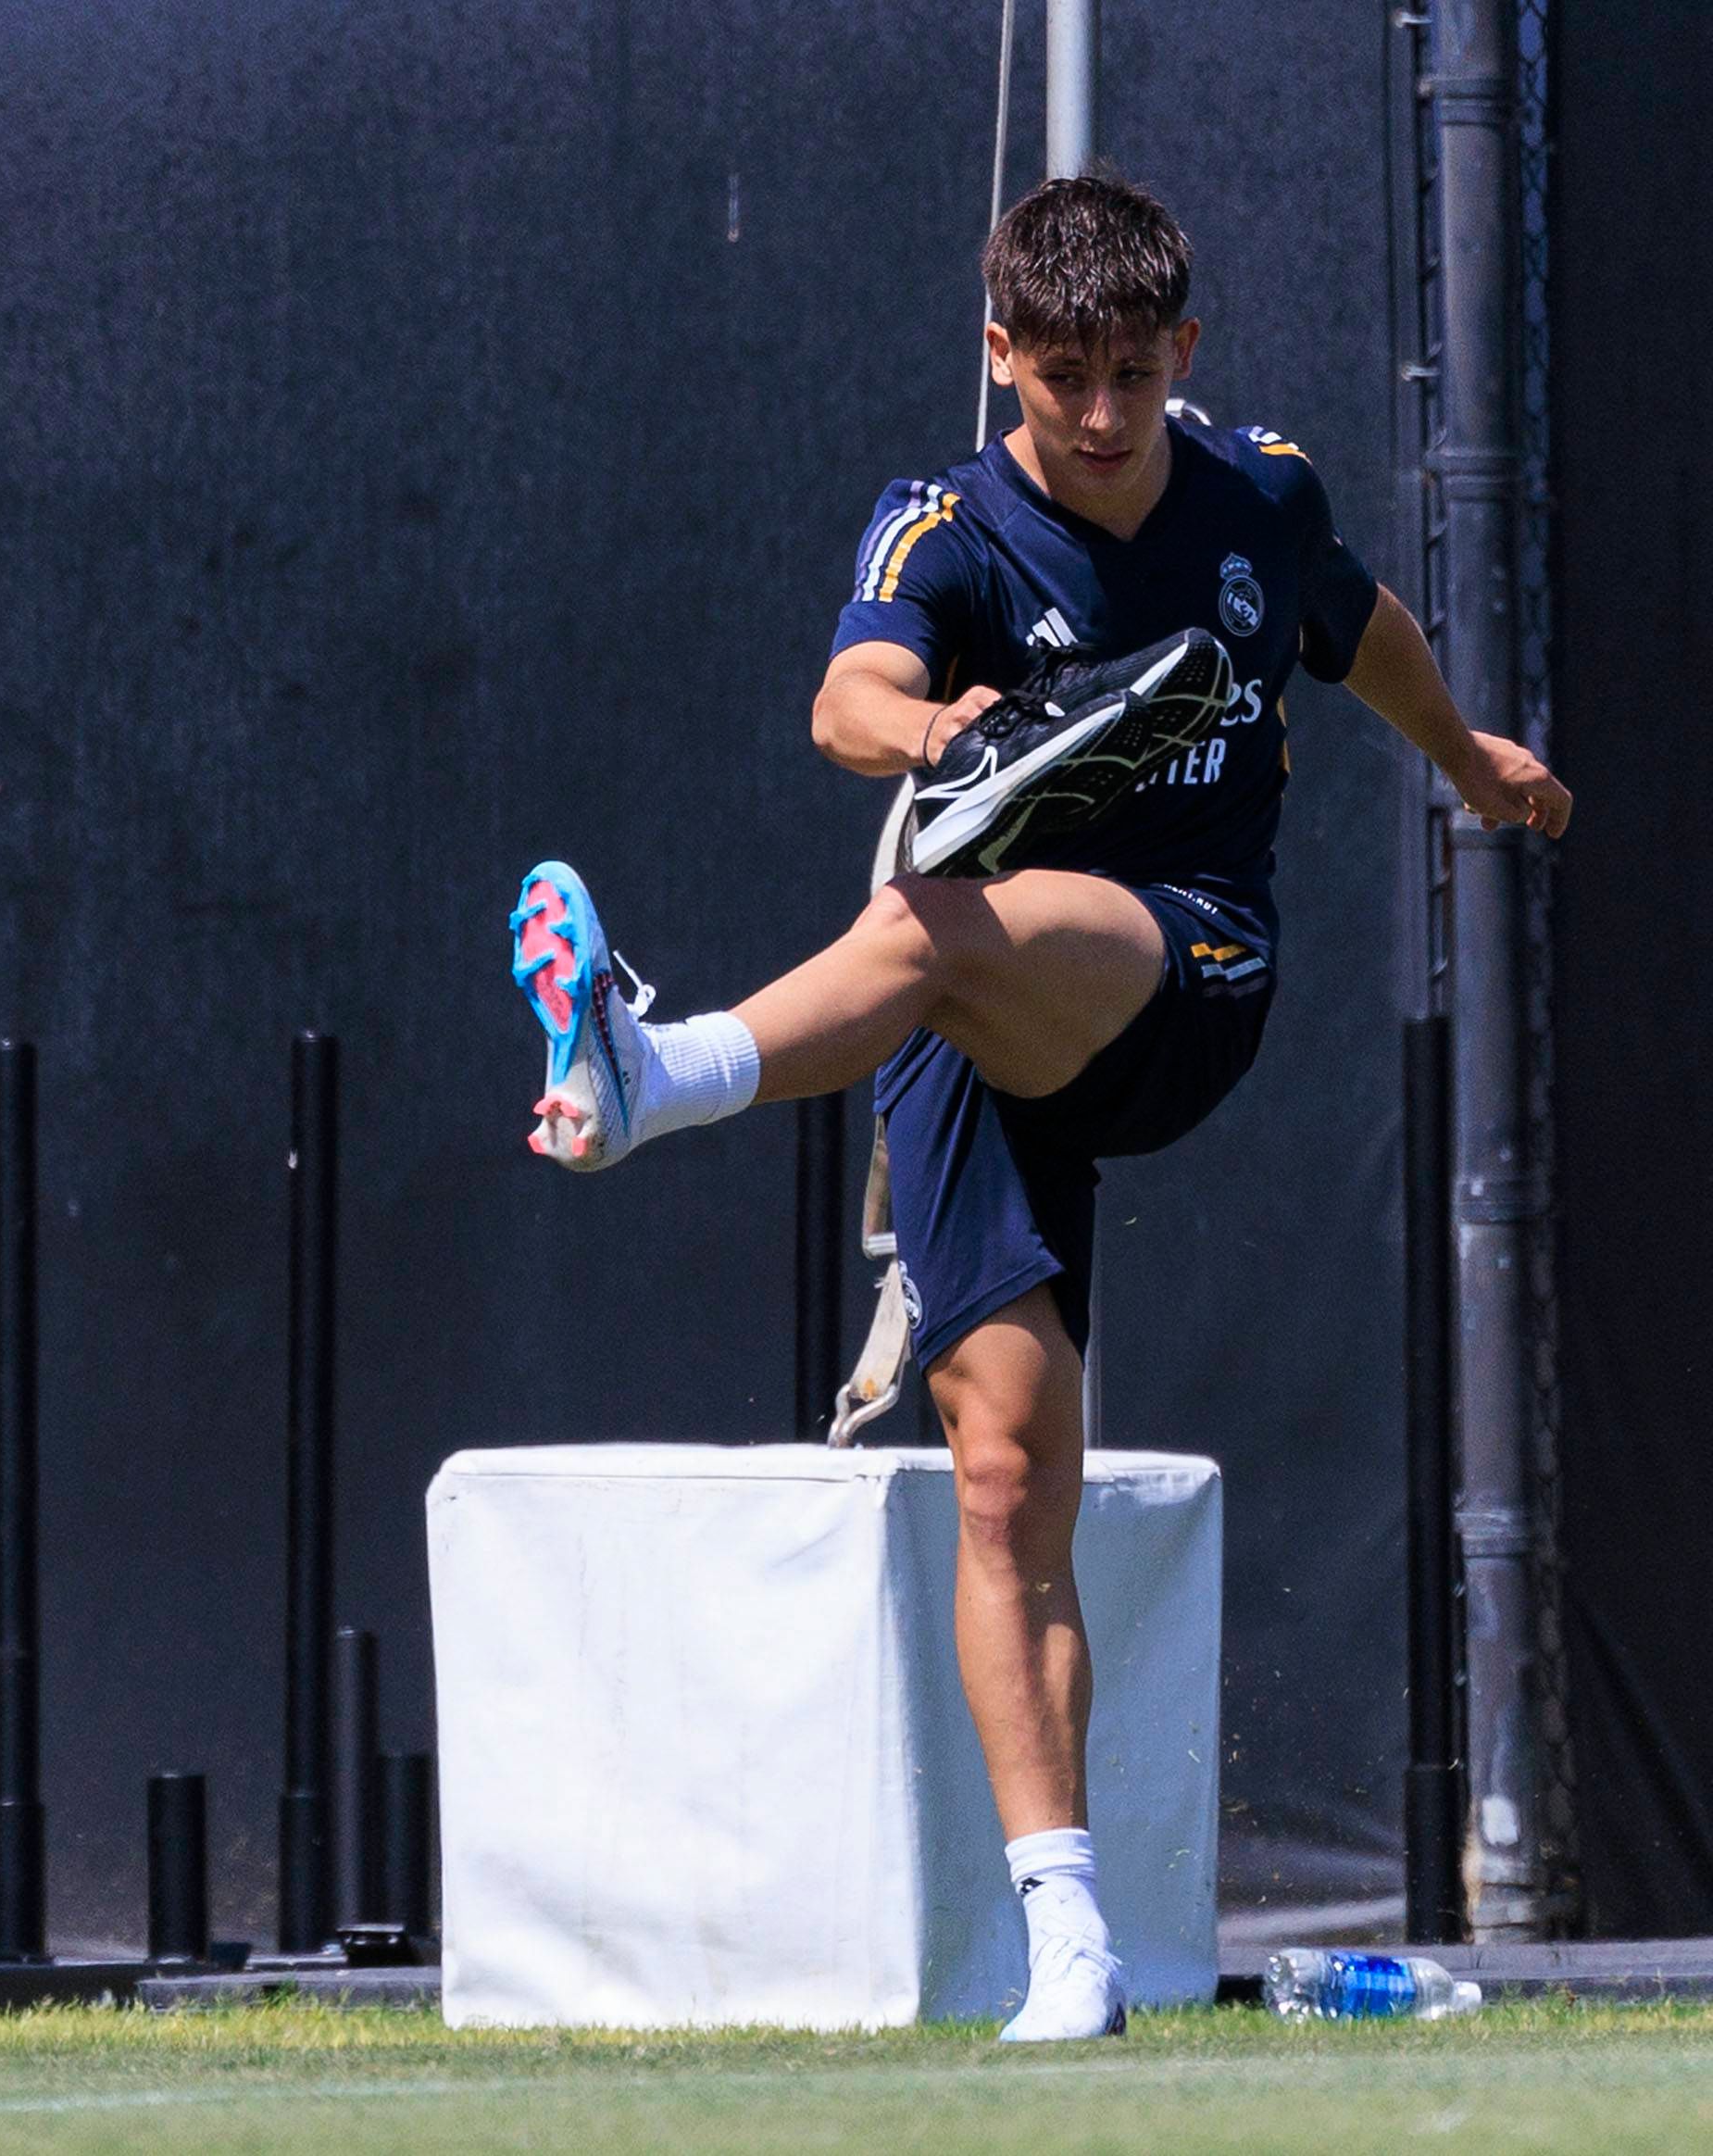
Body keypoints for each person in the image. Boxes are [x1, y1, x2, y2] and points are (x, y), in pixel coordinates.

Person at [506, 173, 1569, 2041]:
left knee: (922, 917)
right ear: (998, 350)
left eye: (1131, 376)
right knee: (1005, 1483)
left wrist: (1471, 759)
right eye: (1060, 372)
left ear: (1185, 356)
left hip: (1183, 968)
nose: (1096, 411)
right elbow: (850, 695)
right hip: (964, 1007)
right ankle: (1067, 1943)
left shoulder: (1257, 494)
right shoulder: (948, 528)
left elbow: (1359, 618)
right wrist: (941, 735)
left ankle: (657, 1071)